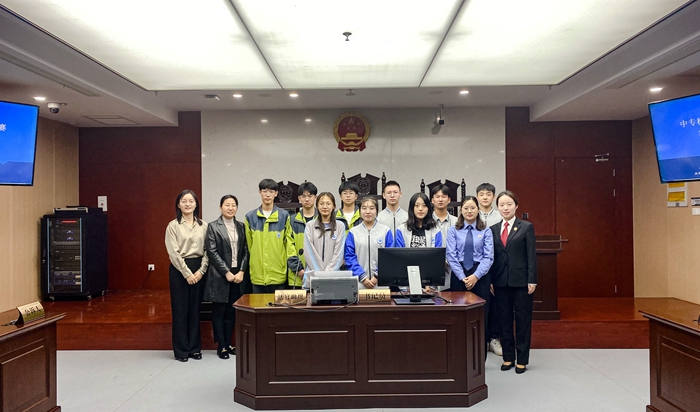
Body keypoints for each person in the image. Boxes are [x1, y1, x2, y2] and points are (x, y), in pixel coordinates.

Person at [489, 190, 537, 374]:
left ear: (516, 206)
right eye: (502, 205)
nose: (505, 208)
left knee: (523, 321)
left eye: (509, 204)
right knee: (504, 321)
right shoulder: (493, 229)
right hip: (500, 281)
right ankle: (508, 357)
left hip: (522, 282)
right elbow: (492, 257)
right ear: (498, 207)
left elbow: (531, 255)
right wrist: (491, 280)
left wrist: (532, 279)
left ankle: (522, 359)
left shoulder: (526, 227)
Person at [446, 196, 494, 357]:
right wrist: (462, 277)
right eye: (466, 208)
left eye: (472, 208)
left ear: (478, 210)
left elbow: (488, 257)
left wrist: (475, 276)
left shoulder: (485, 230)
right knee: (458, 315)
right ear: (461, 210)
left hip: (480, 275)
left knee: (481, 315)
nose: (469, 211)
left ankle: (480, 356)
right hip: (459, 275)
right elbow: (451, 256)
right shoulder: (453, 230)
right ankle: (459, 355)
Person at [165, 190, 209, 362]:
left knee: (195, 310)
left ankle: (195, 348)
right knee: (180, 310)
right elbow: (173, 253)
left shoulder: (203, 226)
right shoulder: (173, 226)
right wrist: (186, 273)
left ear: (196, 204)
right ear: (178, 204)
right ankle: (181, 350)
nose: (188, 204)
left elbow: (208, 251)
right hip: (179, 270)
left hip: (199, 269)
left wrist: (202, 270)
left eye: (191, 201)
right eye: (184, 201)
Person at [203, 195, 249, 360]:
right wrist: (226, 272)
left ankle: (229, 343)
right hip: (220, 274)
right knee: (219, 311)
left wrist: (242, 270)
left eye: (233, 205)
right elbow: (212, 252)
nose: (230, 208)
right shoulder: (213, 226)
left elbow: (246, 250)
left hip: (238, 275)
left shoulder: (241, 226)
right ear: (220, 207)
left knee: (232, 311)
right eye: (227, 205)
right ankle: (221, 345)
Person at [244, 179, 296, 293]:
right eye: (264, 191)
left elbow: (289, 245)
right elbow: (249, 246)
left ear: (276, 193)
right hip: (258, 275)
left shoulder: (284, 216)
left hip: (278, 274)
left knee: (277, 305)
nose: (268, 195)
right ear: (259, 192)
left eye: (271, 191)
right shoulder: (250, 217)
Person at [476, 182, 503, 356]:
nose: (485, 197)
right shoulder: (471, 214)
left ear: (493, 197)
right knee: (480, 305)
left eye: (488, 194)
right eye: (482, 194)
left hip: (497, 265)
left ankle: (494, 338)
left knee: (496, 305)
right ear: (477, 196)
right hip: (477, 268)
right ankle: (482, 339)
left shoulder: (500, 216)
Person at [345, 197, 393, 289]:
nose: (368, 212)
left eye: (371, 208)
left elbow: (389, 256)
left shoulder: (385, 231)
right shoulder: (353, 232)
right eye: (364, 208)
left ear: (377, 211)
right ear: (359, 211)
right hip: (359, 282)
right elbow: (349, 257)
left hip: (381, 282)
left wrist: (377, 276)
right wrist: (362, 277)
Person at [302, 192, 347, 287]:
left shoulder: (340, 226)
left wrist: (327, 274)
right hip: (313, 277)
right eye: (321, 204)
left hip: (333, 278)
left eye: (328, 203)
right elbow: (309, 252)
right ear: (317, 206)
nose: (325, 207)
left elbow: (339, 254)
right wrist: (320, 275)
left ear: (334, 206)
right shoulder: (310, 226)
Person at [287, 182, 318, 288]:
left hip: (319, 273)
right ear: (299, 198)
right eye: (303, 196)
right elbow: (289, 246)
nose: (307, 199)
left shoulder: (322, 219)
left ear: (315, 197)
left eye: (310, 196)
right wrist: (298, 269)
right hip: (297, 276)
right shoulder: (292, 220)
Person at [431, 185, 458, 290]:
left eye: (444, 196)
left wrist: (447, 261)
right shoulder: (426, 222)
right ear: (432, 200)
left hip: (452, 269)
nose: (440, 199)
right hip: (430, 268)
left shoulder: (457, 222)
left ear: (449, 199)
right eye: (437, 197)